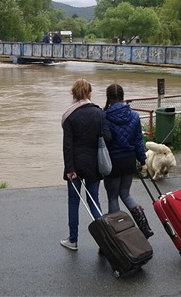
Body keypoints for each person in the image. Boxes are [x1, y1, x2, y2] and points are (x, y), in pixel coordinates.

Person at [60, 79, 111, 251]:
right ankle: (104, 242)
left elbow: (67, 145)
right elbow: (107, 137)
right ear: (89, 93)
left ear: (73, 94)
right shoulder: (99, 113)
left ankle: (73, 240)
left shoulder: (69, 115)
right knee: (94, 201)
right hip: (94, 165)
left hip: (74, 165)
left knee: (73, 202)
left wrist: (70, 169)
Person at [103, 84, 153, 239]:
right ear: (123, 97)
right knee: (126, 193)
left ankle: (118, 234)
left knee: (113, 197)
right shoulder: (134, 116)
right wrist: (143, 161)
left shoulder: (104, 116)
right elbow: (138, 141)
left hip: (112, 162)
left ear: (108, 98)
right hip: (129, 160)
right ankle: (144, 226)